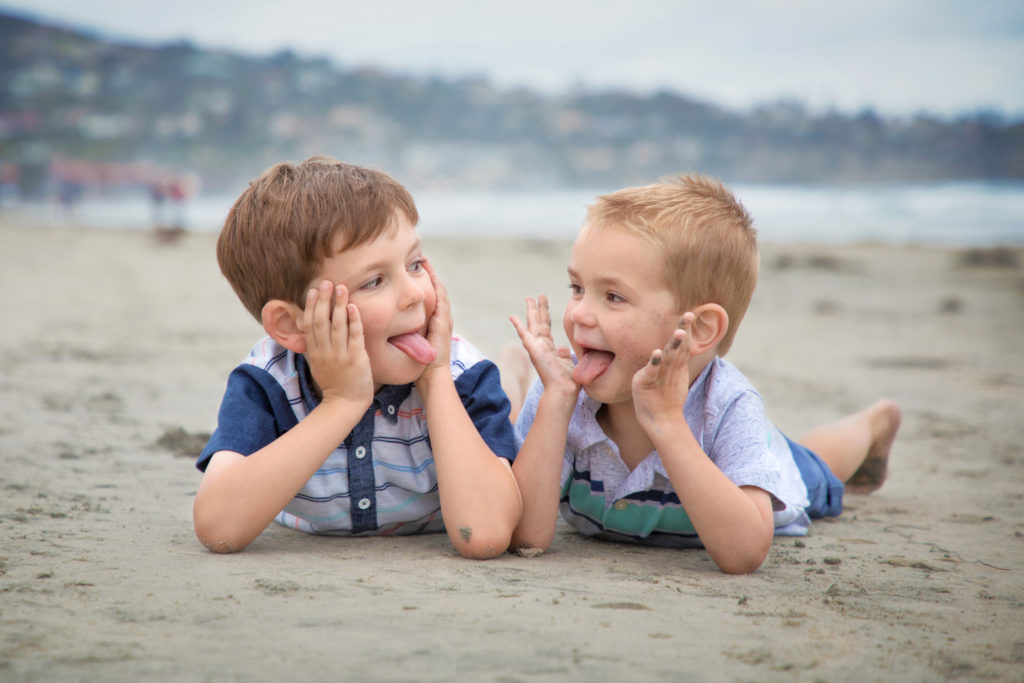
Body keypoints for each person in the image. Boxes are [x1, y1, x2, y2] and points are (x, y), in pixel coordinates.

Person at [508, 175, 901, 574]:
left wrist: (666, 423)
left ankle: (872, 425)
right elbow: (524, 535)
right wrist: (555, 406)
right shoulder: (561, 395)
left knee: (816, 465)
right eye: (576, 287)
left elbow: (745, 553)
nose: (577, 314)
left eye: (613, 297)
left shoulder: (728, 405)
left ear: (698, 329)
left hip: (771, 470)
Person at [193, 155, 522, 559]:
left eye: (415, 264)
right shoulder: (269, 383)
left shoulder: (462, 375)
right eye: (374, 281)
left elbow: (485, 534)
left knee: (513, 416)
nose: (415, 293)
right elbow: (218, 527)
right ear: (292, 326)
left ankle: (516, 375)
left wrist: (435, 379)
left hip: (457, 391)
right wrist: (342, 403)